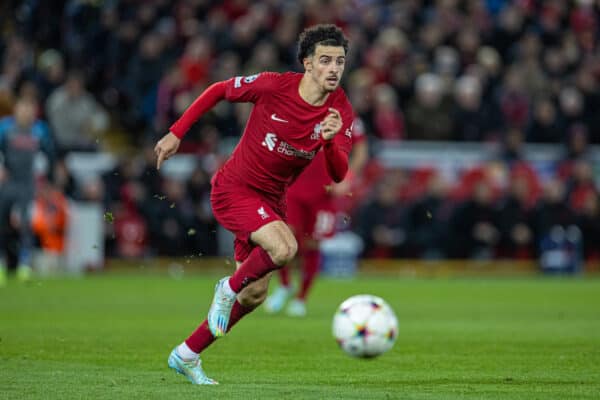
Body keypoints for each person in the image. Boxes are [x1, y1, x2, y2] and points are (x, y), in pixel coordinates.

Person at [154, 24, 354, 385]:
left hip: (272, 201)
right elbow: (217, 90)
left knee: (256, 292)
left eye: (339, 61)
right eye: (325, 60)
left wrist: (328, 141)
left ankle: (187, 354)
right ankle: (225, 289)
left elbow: (339, 173)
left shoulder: (340, 110)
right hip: (235, 188)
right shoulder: (274, 86)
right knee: (285, 247)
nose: (334, 68)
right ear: (308, 64)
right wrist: (177, 132)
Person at [264, 117, 368, 317]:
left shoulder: (347, 118)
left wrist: (348, 177)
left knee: (312, 244)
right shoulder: (301, 108)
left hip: (324, 193)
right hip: (294, 187)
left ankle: (301, 299)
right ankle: (285, 285)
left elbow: (361, 150)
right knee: (285, 239)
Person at [0, 97, 55, 285]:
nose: (26, 112)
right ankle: (1, 265)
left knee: (25, 224)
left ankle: (24, 265)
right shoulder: (5, 128)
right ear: (16, 110)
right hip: (7, 183)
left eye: (29, 108)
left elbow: (49, 155)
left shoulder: (40, 130)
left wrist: (45, 179)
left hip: (27, 184)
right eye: (22, 108)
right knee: (2, 223)